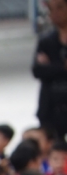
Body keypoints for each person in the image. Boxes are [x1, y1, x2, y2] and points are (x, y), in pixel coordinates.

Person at [34, 0, 67, 139]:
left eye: (59, 8)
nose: (55, 14)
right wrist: (62, 67)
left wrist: (51, 66)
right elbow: (38, 70)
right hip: (51, 108)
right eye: (51, 9)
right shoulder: (46, 41)